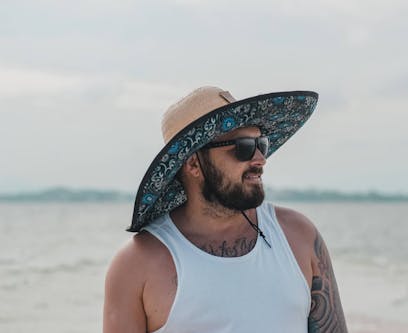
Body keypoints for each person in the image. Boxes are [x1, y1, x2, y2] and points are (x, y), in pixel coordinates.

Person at [103, 86, 348, 333]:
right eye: (243, 146)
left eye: (260, 143)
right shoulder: (138, 264)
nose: (260, 159)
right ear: (193, 163)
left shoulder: (299, 235)